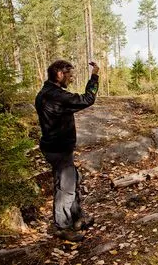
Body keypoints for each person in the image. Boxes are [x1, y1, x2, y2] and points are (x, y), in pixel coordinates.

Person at [35, 60, 99, 241]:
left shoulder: (44, 93)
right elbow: (88, 99)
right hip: (59, 149)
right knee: (66, 188)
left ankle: (77, 218)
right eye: (69, 75)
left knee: (70, 181)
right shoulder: (56, 96)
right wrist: (95, 75)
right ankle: (62, 227)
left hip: (55, 148)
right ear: (60, 74)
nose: (71, 79)